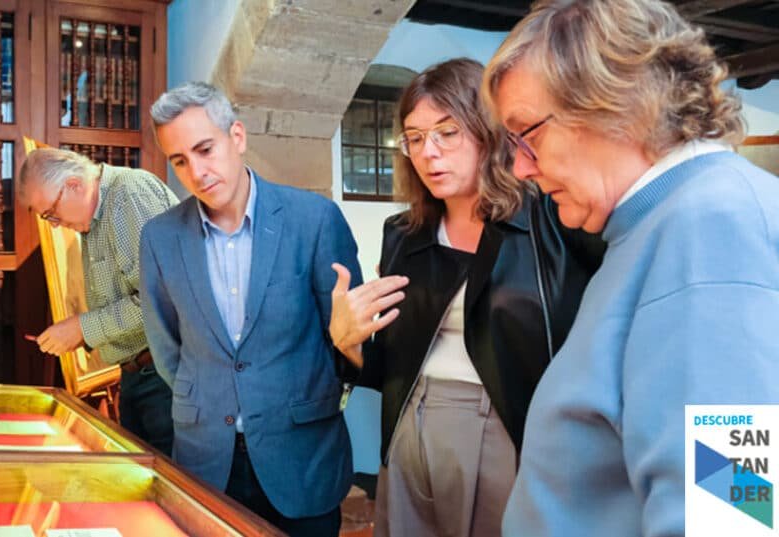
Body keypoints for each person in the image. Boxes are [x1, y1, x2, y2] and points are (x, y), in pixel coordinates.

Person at [480, 1, 779, 535]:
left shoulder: (710, 228)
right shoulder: (659, 222)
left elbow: (731, 512)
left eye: (528, 134)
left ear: (616, 105)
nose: (521, 167)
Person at [329, 59, 602, 537]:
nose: (428, 153)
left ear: (488, 132)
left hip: (511, 430)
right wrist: (345, 341)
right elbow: (390, 364)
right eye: (414, 138)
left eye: (447, 132)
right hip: (411, 426)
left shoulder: (549, 221)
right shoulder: (404, 235)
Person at [140, 81, 363, 537]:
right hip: (207, 458)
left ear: (237, 137)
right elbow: (168, 350)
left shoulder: (314, 220)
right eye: (180, 160)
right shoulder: (160, 237)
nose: (197, 171)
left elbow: (348, 344)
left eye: (206, 149)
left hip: (302, 457)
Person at [17, 147, 178, 455]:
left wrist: (81, 328)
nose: (53, 224)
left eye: (51, 213)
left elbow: (162, 301)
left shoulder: (128, 196)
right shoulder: (95, 219)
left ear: (74, 184)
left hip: (166, 376)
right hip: (137, 374)